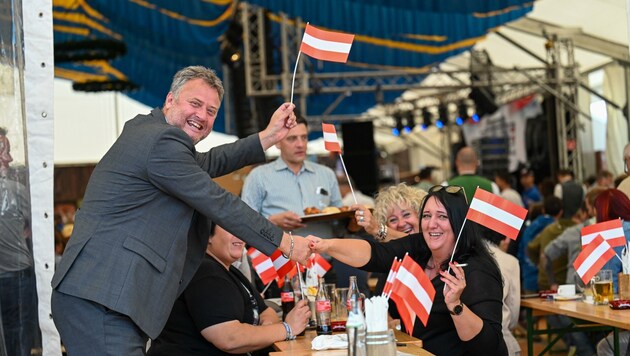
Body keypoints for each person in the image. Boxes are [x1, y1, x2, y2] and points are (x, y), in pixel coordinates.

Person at [51, 66, 312, 355]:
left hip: (105, 297)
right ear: (170, 99)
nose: (202, 116)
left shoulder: (153, 135)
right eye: (195, 104)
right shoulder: (160, 141)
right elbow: (217, 201)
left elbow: (210, 163)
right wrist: (284, 243)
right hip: (103, 298)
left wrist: (268, 136)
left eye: (211, 111)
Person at [308, 185, 507, 355]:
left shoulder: (477, 270)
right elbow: (376, 254)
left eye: (442, 216)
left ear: (458, 223)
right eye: (427, 216)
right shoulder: (421, 247)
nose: (431, 224)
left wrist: (456, 306)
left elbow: (489, 348)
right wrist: (324, 245)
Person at [147, 224, 311, 355]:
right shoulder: (205, 271)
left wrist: (261, 332)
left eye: (241, 229)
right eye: (230, 228)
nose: (239, 235)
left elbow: (267, 313)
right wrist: (287, 329)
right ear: (208, 236)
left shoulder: (228, 270)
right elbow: (230, 338)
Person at [241, 115, 342, 238]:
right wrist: (272, 221)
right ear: (277, 142)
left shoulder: (327, 174)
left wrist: (352, 221)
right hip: (278, 256)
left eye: (304, 137)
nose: (300, 144)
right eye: (292, 138)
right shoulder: (259, 176)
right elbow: (244, 223)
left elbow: (339, 220)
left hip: (325, 255)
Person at [0, 128, 37, 356]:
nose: (10, 159)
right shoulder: (15, 189)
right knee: (17, 334)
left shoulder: (15, 190)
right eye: (5, 152)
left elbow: (34, 227)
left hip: (16, 273)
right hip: (15, 274)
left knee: (18, 335)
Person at [478, 226, 520, 356]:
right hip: (501, 340)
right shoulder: (510, 262)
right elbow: (513, 312)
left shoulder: (461, 255)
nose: (508, 241)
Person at [353, 183, 426, 242]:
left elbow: (416, 243)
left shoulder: (433, 242)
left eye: (406, 215)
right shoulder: (385, 254)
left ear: (420, 214)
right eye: (393, 220)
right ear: (386, 225)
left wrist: (378, 229)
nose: (401, 224)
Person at [517, 197, 561, 294]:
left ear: (543, 210)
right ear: (561, 212)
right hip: (550, 281)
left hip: (529, 279)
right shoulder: (558, 230)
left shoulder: (529, 229)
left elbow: (521, 253)